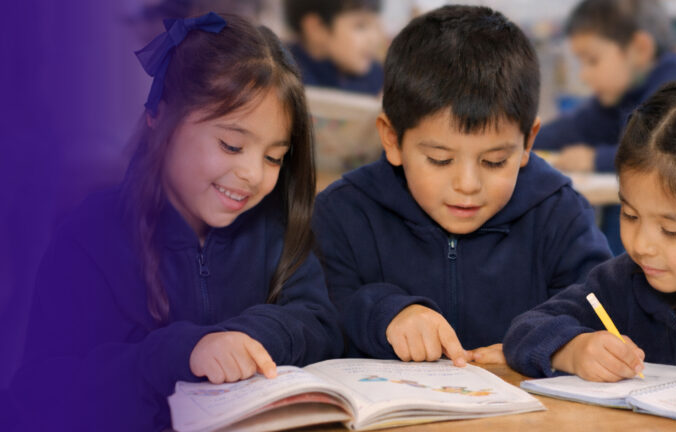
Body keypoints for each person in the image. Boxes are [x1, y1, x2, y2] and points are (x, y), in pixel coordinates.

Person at [11, 13, 342, 430]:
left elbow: (319, 322)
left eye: (274, 157)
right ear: (158, 117)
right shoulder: (89, 237)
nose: (254, 175)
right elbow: (40, 390)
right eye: (232, 144)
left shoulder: (274, 228)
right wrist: (183, 352)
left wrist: (242, 338)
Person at [313, 5, 612, 366]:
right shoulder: (344, 212)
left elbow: (598, 306)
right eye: (440, 160)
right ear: (392, 139)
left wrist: (551, 344)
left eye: (494, 161)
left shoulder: (559, 212)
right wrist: (387, 314)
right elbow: (317, 313)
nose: (467, 185)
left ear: (528, 142)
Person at [504, 78, 676, 381]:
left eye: (670, 230)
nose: (641, 245)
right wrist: (572, 348)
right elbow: (526, 328)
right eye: (630, 215)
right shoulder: (623, 281)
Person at [536, 0, 676, 254]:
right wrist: (523, 137)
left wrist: (596, 159)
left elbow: (660, 155)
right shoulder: (624, 90)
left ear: (640, 48)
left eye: (592, 60)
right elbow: (577, 127)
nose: (583, 75)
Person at [284, 0, 384, 95]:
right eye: (360, 26)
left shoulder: (376, 75)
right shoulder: (284, 77)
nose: (374, 38)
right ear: (315, 28)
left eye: (376, 26)